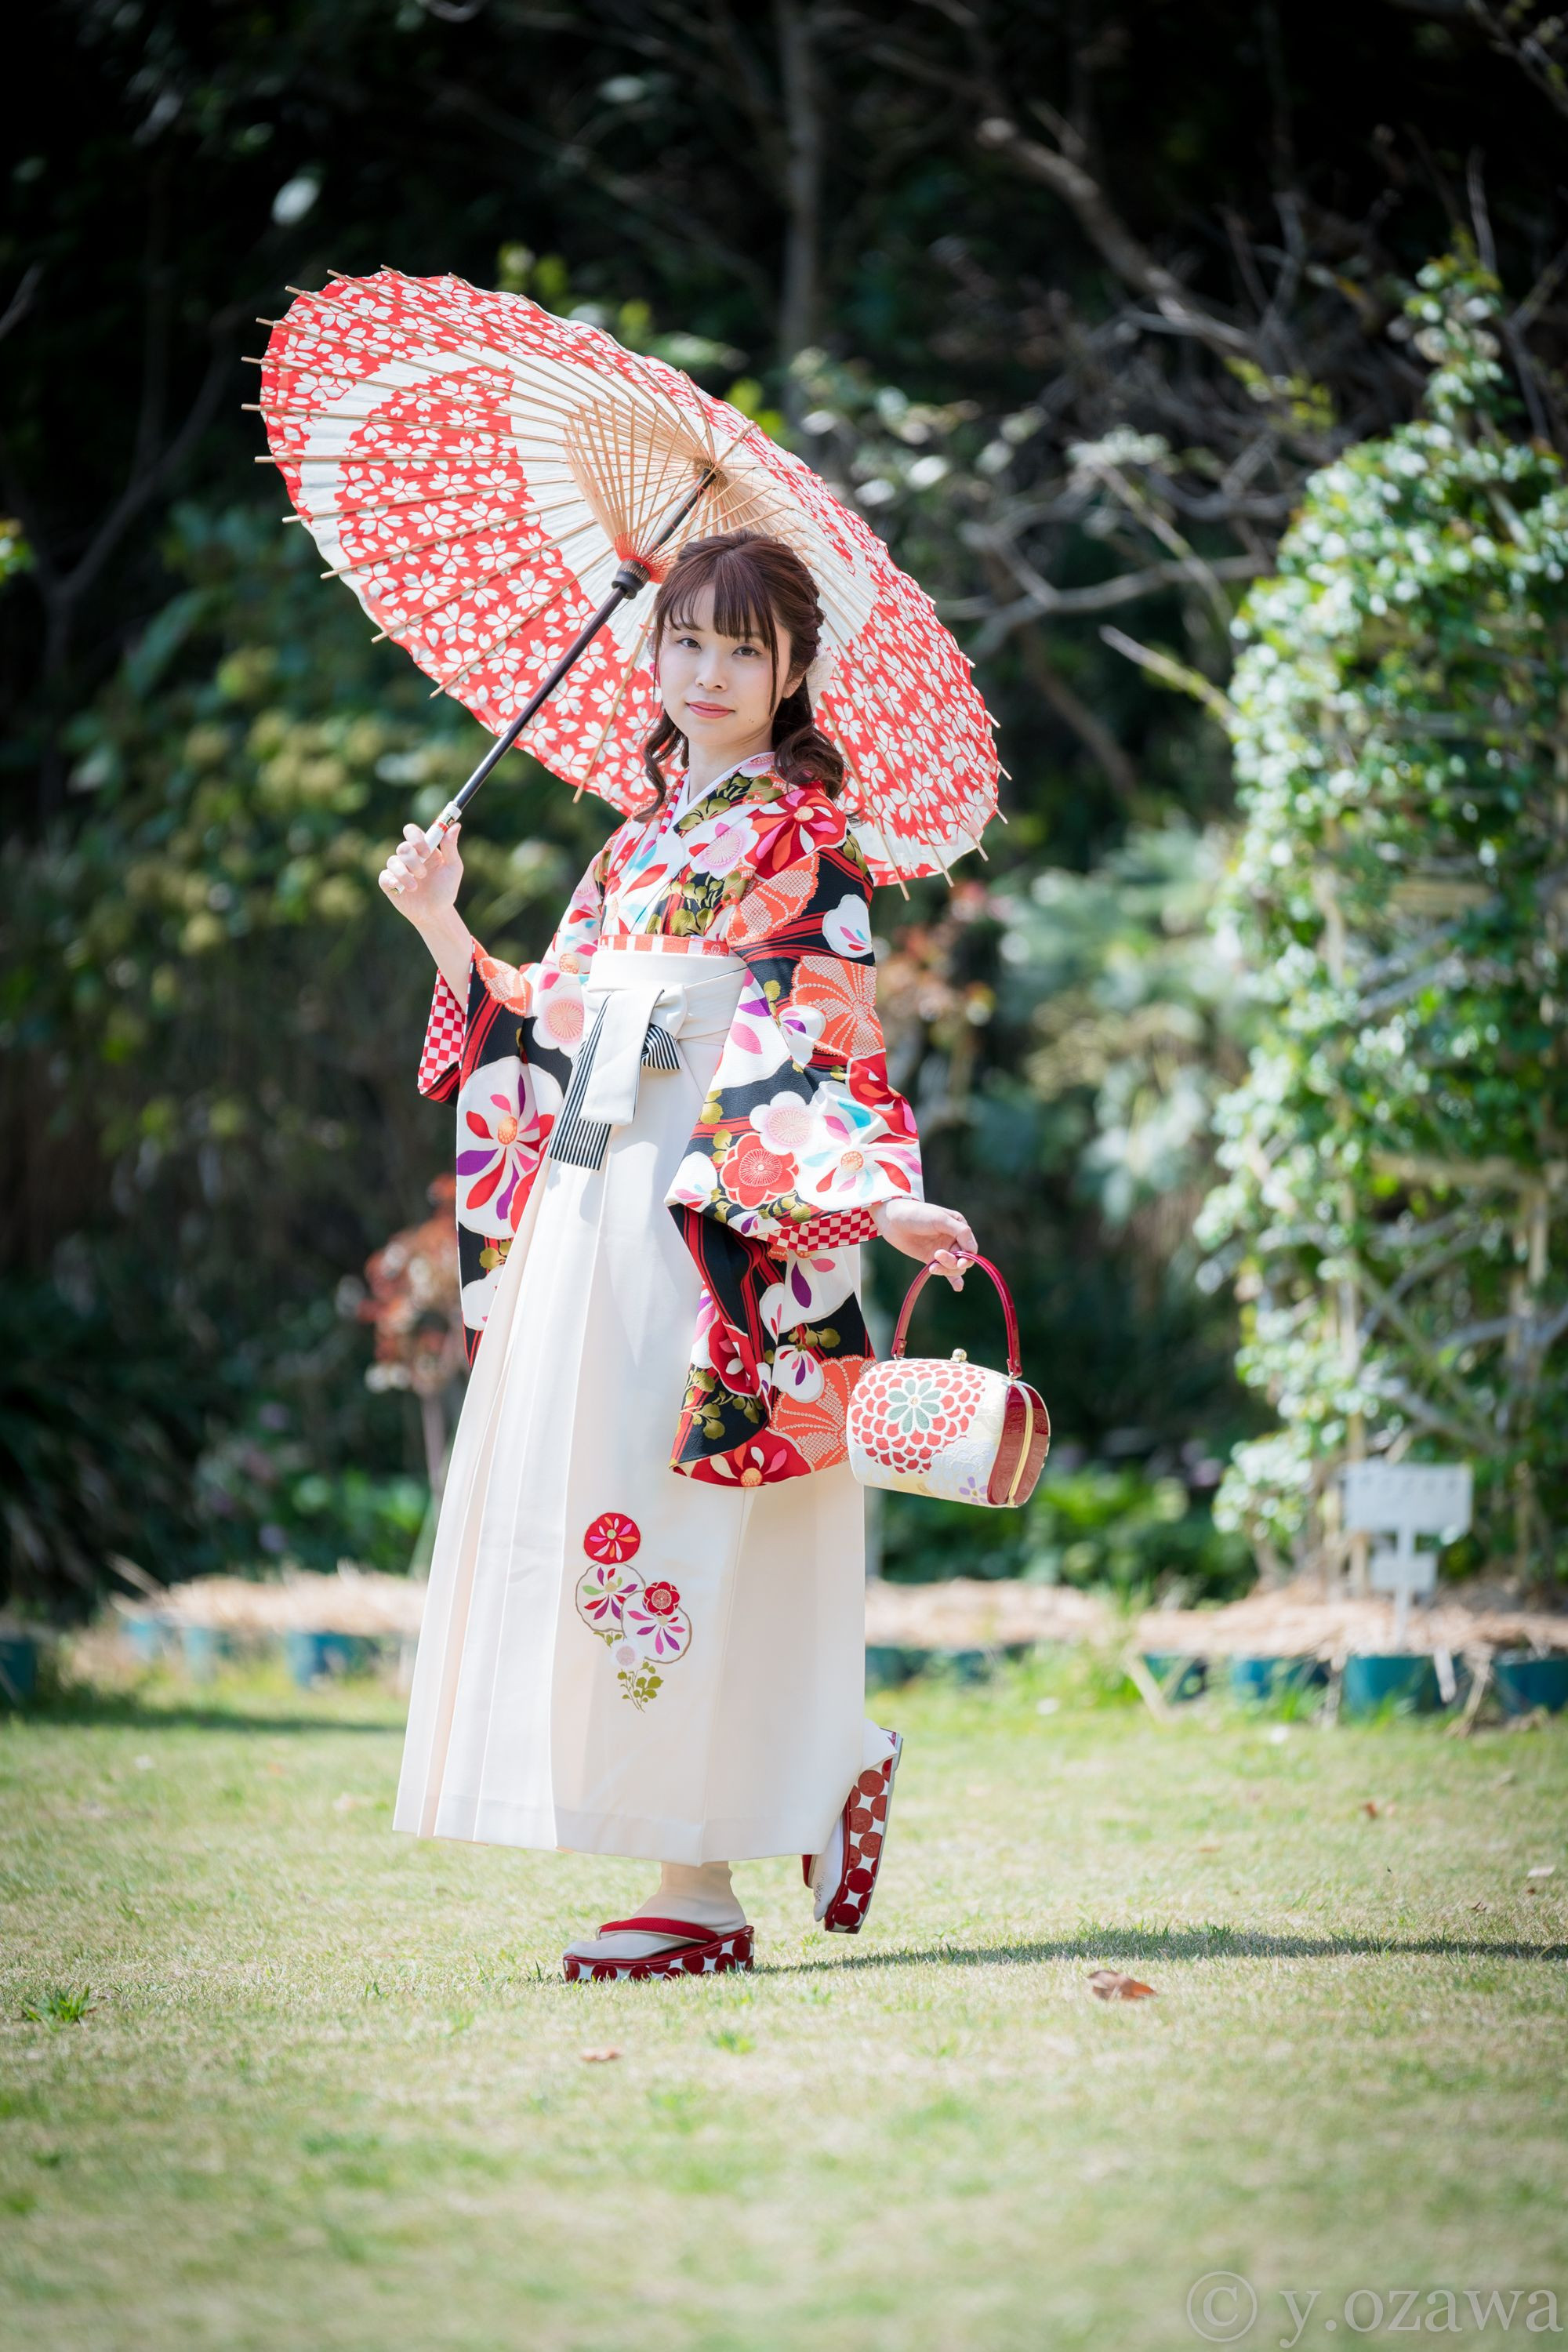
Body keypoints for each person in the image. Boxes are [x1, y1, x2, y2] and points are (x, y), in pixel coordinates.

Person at [380, 527, 976, 1980]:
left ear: (794, 671)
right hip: (593, 1195)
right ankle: (822, 1760)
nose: (707, 673)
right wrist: (442, 922)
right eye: (685, 641)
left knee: (684, 1518)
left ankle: (699, 1886)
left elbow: (824, 1036)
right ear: (649, 654)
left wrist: (877, 1197)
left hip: (719, 1218)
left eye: (743, 650)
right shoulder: (633, 845)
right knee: (605, 1502)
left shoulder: (799, 838)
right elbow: (550, 1022)